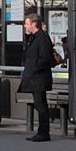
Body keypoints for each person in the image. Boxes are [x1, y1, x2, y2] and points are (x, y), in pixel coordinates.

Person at [21, 13, 54, 142]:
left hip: (39, 78)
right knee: (39, 105)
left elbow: (46, 58)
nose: (25, 26)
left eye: (27, 23)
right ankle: (41, 132)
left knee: (41, 105)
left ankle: (44, 133)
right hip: (35, 78)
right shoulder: (33, 38)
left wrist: (34, 68)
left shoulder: (42, 38)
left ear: (34, 24)